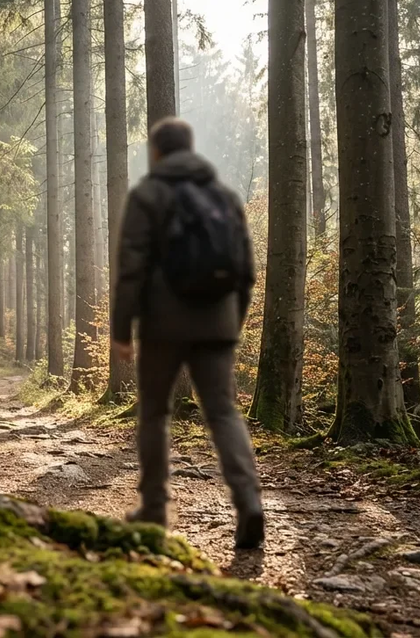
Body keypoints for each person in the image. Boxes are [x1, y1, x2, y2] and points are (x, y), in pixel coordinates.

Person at [111, 117, 264, 550]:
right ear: (191, 149)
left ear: (157, 152)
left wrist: (122, 330)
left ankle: (155, 508)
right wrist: (233, 323)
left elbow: (131, 268)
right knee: (223, 412)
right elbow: (246, 271)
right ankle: (249, 501)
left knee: (155, 413)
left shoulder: (148, 195)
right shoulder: (224, 196)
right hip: (217, 322)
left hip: (163, 324)